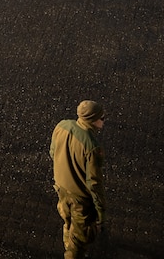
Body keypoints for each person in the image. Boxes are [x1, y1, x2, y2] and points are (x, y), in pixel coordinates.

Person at [50, 100, 106, 259]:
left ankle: (68, 243)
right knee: (80, 239)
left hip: (61, 189)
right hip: (80, 199)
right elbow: (94, 184)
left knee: (67, 222)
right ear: (93, 119)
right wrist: (101, 213)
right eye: (102, 118)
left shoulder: (62, 126)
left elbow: (53, 153)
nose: (103, 121)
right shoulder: (93, 147)